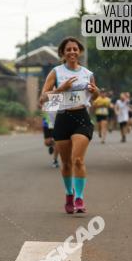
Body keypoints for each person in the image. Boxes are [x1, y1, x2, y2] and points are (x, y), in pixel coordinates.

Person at [39, 36, 99, 214]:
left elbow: (94, 98)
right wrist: (60, 89)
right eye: (68, 49)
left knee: (78, 159)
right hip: (63, 118)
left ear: (79, 51)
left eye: (75, 49)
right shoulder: (56, 72)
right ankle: (69, 195)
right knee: (65, 163)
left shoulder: (88, 73)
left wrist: (96, 92)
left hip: (81, 118)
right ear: (63, 53)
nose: (72, 52)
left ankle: (79, 197)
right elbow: (43, 98)